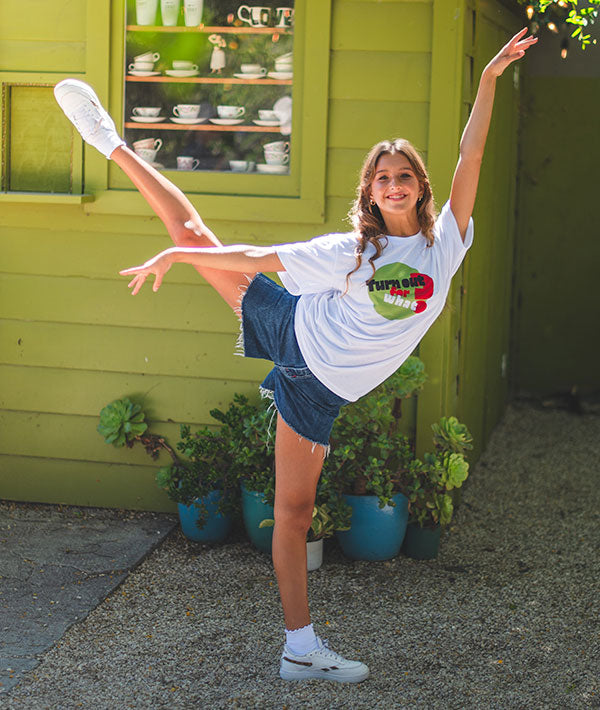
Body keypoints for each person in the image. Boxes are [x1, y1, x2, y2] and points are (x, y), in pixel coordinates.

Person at [54, 28, 536, 683]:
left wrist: (489, 79)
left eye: (405, 176)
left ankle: (298, 651)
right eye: (382, 178)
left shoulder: (445, 241)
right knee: (193, 232)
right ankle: (109, 139)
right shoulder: (349, 251)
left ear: (422, 188)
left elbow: (471, 156)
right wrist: (179, 257)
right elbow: (255, 259)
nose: (394, 185)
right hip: (293, 333)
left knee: (294, 514)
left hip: (320, 394)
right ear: (370, 193)